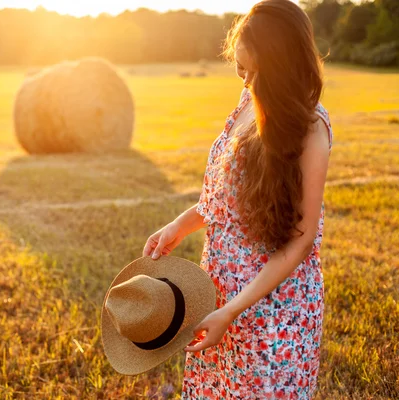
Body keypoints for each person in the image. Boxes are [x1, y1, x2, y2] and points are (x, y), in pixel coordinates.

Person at [142, 0, 334, 398]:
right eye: (240, 69)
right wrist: (179, 225)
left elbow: (301, 238)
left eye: (254, 71)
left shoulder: (310, 129)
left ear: (283, 66)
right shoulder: (247, 104)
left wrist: (232, 311)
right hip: (219, 296)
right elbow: (224, 202)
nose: (245, 81)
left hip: (272, 307)